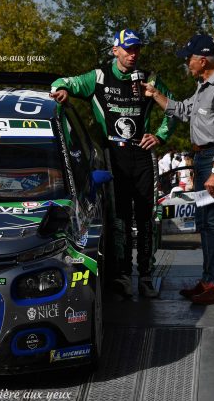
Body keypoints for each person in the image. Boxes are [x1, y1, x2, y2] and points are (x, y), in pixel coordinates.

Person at [50, 29, 175, 299]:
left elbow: (174, 110)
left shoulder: (150, 79)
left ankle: (145, 275)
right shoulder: (98, 77)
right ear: (115, 50)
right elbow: (62, 82)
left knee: (147, 218)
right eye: (128, 49)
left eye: (137, 49)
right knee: (119, 217)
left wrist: (160, 136)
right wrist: (60, 91)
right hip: (112, 156)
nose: (133, 54)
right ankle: (120, 274)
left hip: (142, 155)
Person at [146, 33, 214, 306]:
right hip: (204, 158)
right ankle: (209, 280)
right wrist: (155, 95)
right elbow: (182, 110)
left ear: (203, 60)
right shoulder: (204, 86)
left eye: (189, 58)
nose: (187, 63)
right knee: (206, 224)